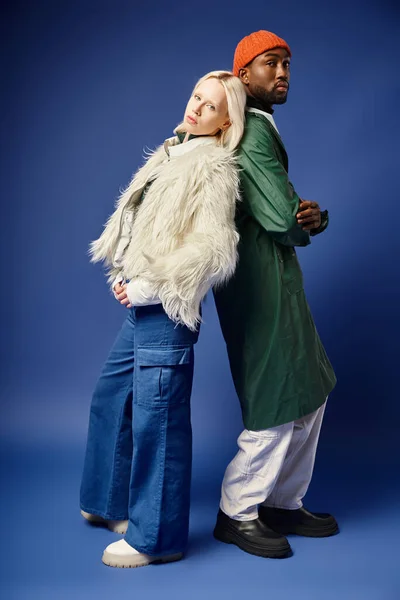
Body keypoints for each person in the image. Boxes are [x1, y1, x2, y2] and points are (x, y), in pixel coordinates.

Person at [80, 71, 246, 568]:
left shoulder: (214, 166)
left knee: (160, 421)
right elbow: (139, 225)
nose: (197, 107)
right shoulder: (172, 150)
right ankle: (109, 502)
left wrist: (147, 287)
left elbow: (213, 250)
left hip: (167, 310)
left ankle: (158, 539)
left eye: (211, 106)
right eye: (197, 96)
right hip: (143, 305)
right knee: (113, 396)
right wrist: (124, 272)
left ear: (225, 122)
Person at [212, 30, 338, 559]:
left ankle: (283, 500)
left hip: (273, 272)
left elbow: (286, 213)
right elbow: (280, 219)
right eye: (271, 64)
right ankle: (237, 511)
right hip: (259, 278)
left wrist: (310, 215)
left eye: (287, 64)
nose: (282, 73)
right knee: (277, 392)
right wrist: (306, 220)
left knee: (308, 385)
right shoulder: (252, 131)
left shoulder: (254, 125)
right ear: (244, 75)